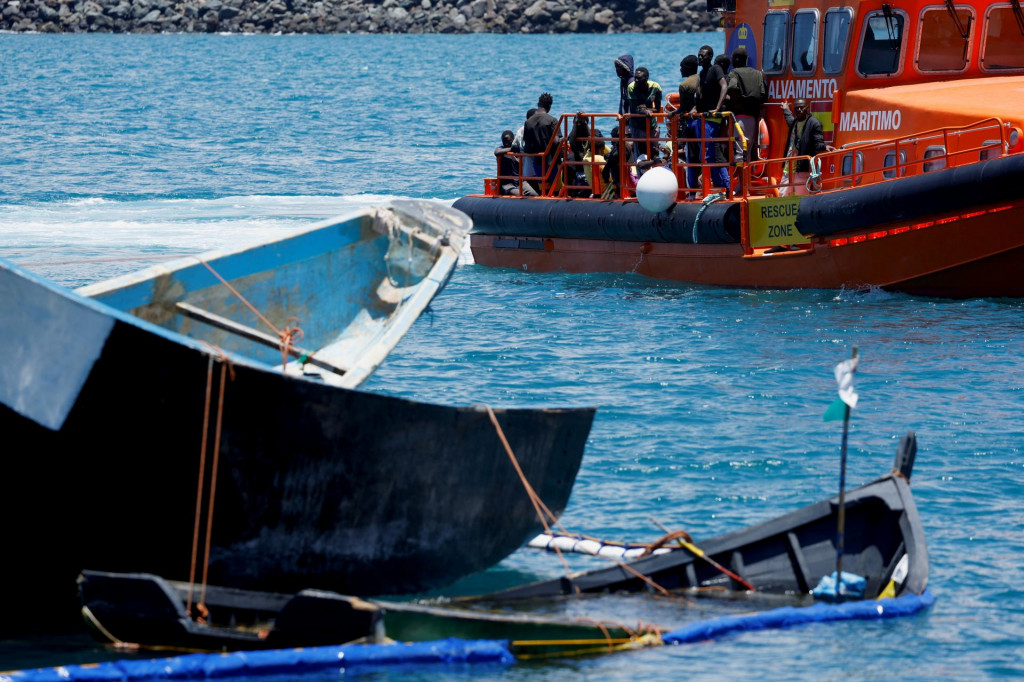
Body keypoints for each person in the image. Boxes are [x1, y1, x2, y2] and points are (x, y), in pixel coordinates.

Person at [693, 45, 730, 189]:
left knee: (709, 155)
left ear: (710, 56)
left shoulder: (716, 69)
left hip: (713, 117)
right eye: (699, 55)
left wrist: (718, 107)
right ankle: (719, 185)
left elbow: (724, 86)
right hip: (703, 117)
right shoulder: (701, 74)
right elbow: (700, 95)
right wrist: (695, 108)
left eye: (703, 55)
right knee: (706, 154)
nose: (700, 58)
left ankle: (724, 185)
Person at [666, 54, 701, 195]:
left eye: (682, 67)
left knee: (692, 157)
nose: (680, 70)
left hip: (692, 124)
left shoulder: (684, 85)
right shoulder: (703, 79)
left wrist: (672, 114)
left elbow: (683, 108)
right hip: (706, 123)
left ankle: (693, 191)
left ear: (687, 68)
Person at [727, 47, 768, 162]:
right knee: (747, 152)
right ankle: (745, 179)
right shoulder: (758, 74)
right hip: (752, 119)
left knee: (739, 153)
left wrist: (737, 102)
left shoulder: (734, 72)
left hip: (739, 118)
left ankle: (741, 180)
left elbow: (732, 87)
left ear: (736, 59)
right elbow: (763, 94)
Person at [781, 98, 827, 196]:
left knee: (801, 198)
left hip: (802, 169)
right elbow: (790, 119)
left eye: (802, 108)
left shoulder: (814, 123)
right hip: (787, 169)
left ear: (807, 108)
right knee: (782, 196)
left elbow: (818, 142)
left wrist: (825, 147)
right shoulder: (795, 122)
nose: (799, 110)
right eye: (797, 108)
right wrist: (785, 109)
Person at [523, 93, 561, 193]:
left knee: (544, 190)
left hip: (538, 164)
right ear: (549, 106)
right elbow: (556, 141)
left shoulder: (528, 122)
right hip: (552, 163)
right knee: (557, 191)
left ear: (538, 104)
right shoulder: (552, 120)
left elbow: (527, 146)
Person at [625, 66, 663, 157]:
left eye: (639, 78)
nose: (636, 80)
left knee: (654, 153)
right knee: (640, 155)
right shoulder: (631, 87)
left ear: (646, 78)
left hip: (651, 125)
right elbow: (634, 108)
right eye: (635, 78)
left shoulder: (655, 87)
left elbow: (657, 109)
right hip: (637, 125)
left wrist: (647, 110)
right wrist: (645, 111)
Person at [494, 130, 537, 196]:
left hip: (520, 182)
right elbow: (496, 152)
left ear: (513, 140)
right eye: (504, 141)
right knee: (520, 194)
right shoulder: (502, 150)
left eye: (508, 141)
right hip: (507, 184)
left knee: (533, 194)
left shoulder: (518, 151)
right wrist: (511, 149)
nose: (506, 144)